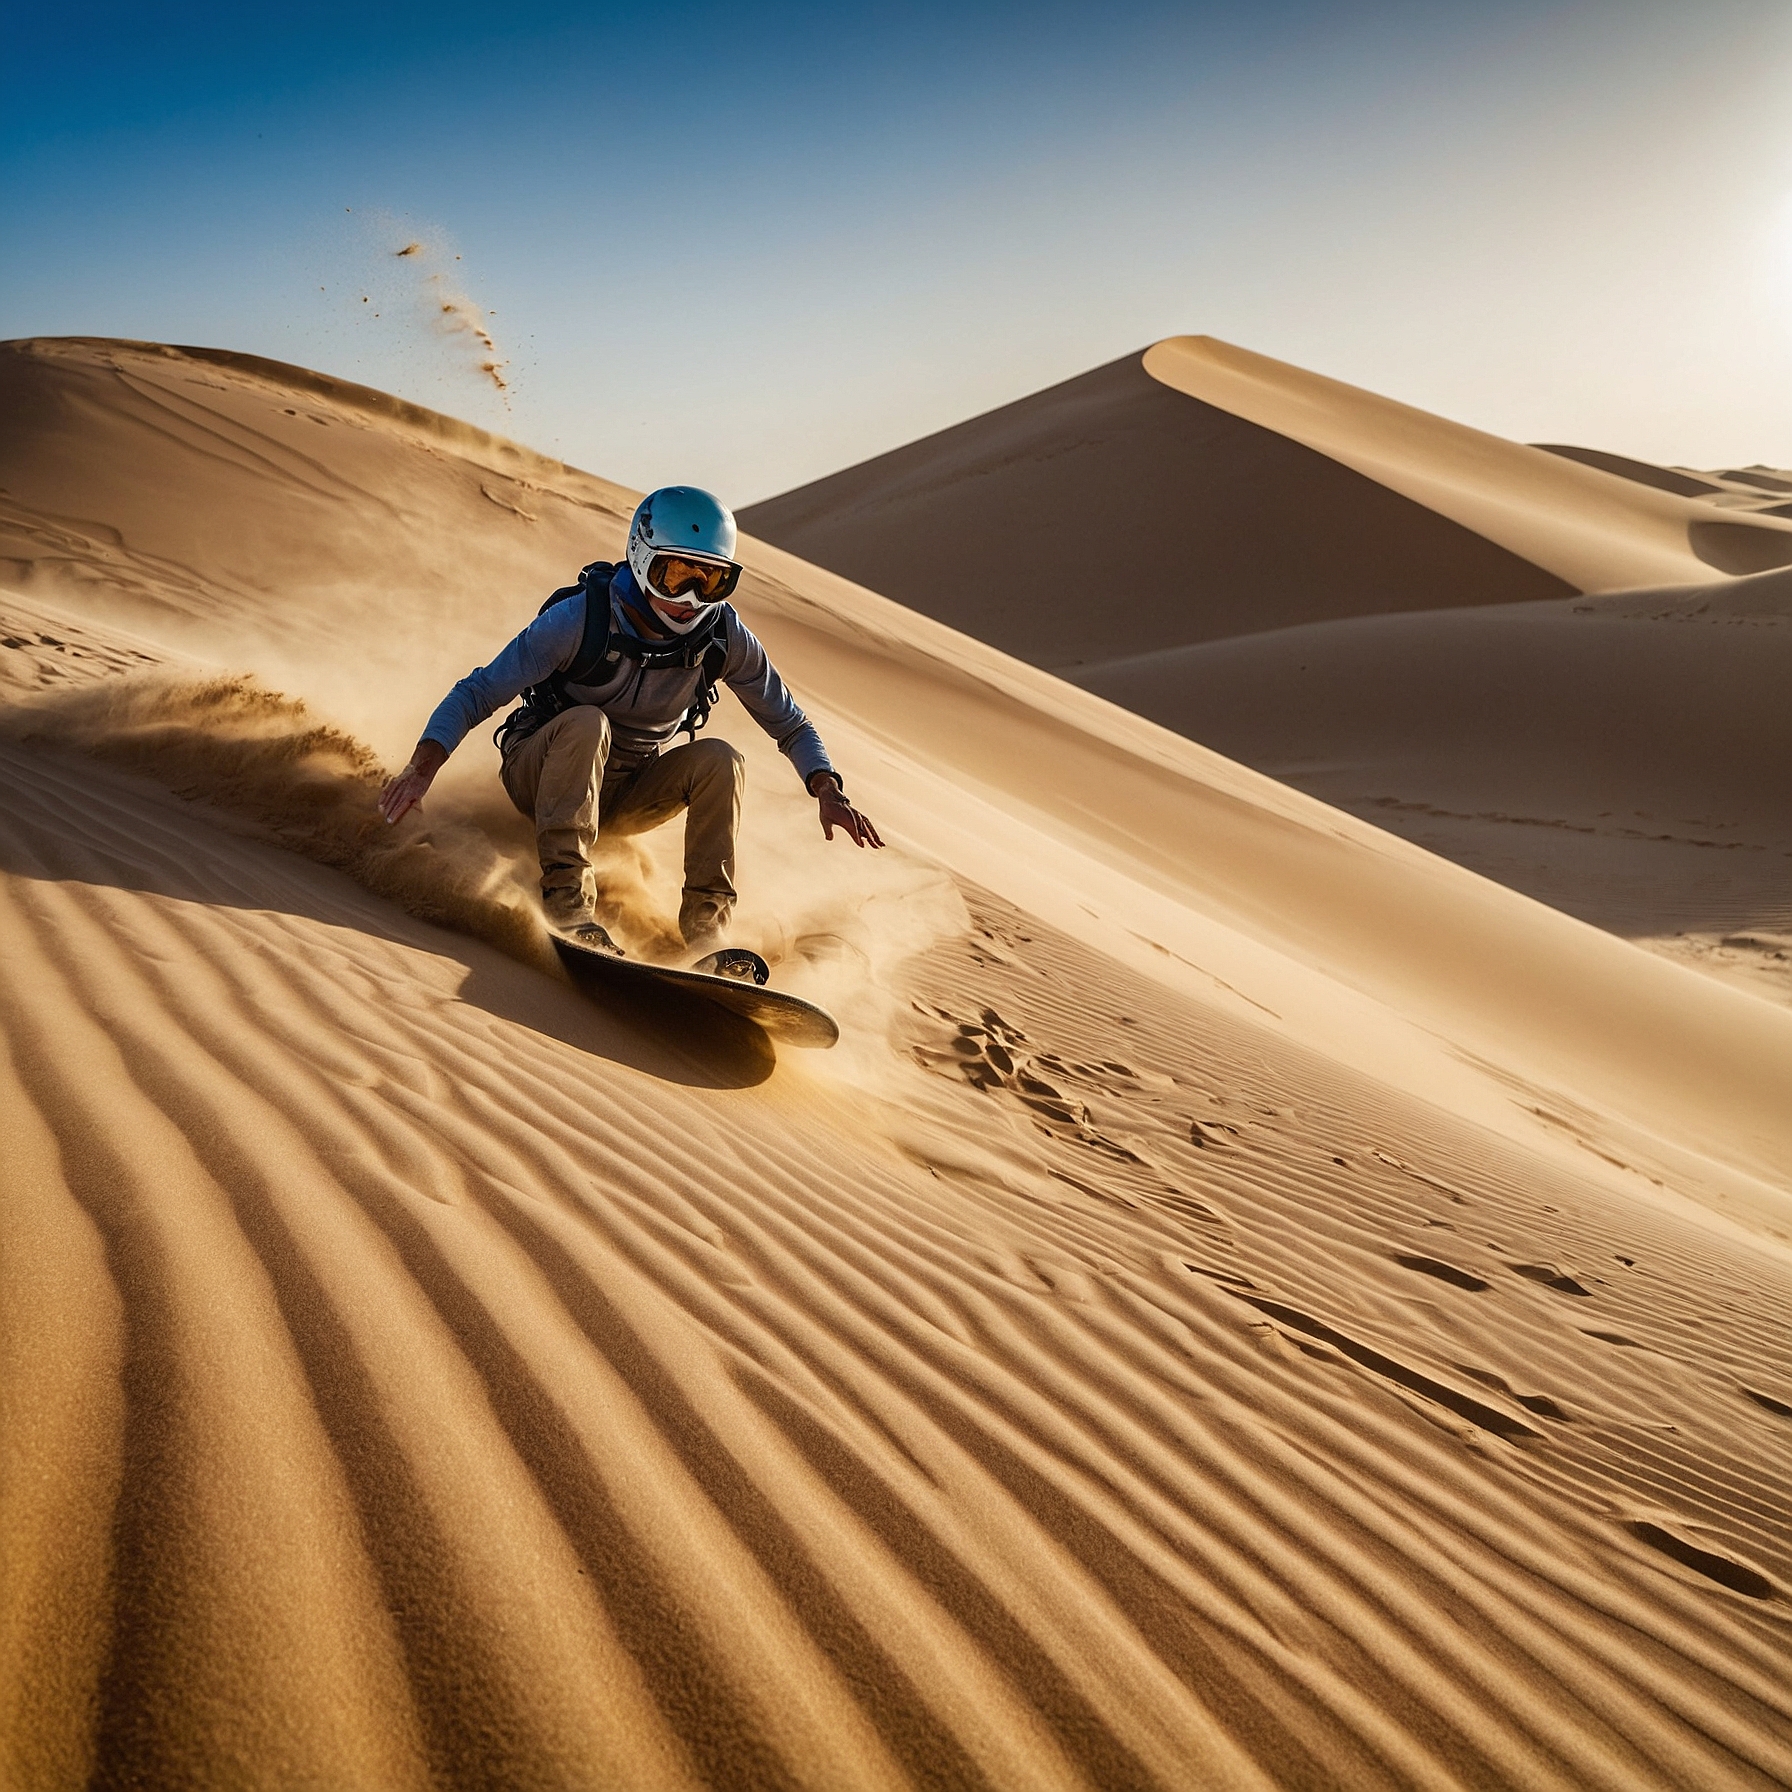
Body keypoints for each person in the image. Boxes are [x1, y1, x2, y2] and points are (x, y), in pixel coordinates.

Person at [378, 485, 882, 956]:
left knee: (721, 760)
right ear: (641, 558)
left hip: (624, 794)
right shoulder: (579, 620)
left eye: (710, 581)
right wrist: (422, 769)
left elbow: (789, 722)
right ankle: (568, 903)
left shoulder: (723, 637)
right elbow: (477, 692)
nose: (690, 600)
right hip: (541, 773)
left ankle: (708, 932)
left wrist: (826, 788)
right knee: (587, 722)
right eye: (677, 575)